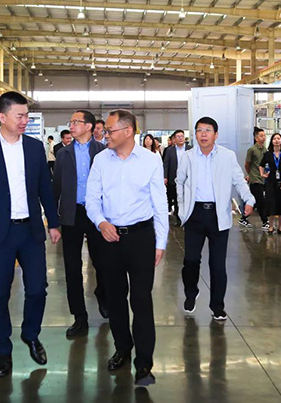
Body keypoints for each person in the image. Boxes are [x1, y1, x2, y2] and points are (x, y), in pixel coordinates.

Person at [0, 92, 62, 379]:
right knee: (0, 294)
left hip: (30, 231)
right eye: (20, 116)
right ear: (2, 117)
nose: (24, 121)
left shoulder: (34, 147)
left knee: (37, 288)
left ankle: (31, 334)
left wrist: (53, 223)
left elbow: (44, 187)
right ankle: (3, 352)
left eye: (26, 115)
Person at [85, 109, 168, 387]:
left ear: (128, 131)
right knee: (115, 299)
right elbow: (91, 198)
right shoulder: (100, 160)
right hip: (108, 238)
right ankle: (122, 348)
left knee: (141, 300)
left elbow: (159, 203)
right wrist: (101, 222)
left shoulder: (150, 160)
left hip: (141, 238)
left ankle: (144, 364)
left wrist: (160, 243)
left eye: (110, 131)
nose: (105, 135)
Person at [176, 117, 254, 322]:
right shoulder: (188, 157)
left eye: (208, 130)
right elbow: (179, 181)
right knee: (191, 260)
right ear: (195, 134)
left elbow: (239, 180)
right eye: (199, 130)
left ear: (216, 135)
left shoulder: (227, 156)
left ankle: (217, 306)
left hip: (218, 215)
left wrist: (249, 199)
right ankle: (191, 292)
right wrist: (182, 208)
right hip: (194, 215)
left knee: (217, 264)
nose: (203, 134)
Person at [53, 110, 108, 339]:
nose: (72, 125)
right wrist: (53, 221)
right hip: (72, 214)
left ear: (89, 126)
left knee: (103, 263)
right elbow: (56, 187)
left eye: (76, 122)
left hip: (97, 215)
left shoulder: (103, 152)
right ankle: (79, 317)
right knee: (72, 267)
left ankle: (102, 294)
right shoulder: (63, 153)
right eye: (71, 122)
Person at [260, 133, 281, 234]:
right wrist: (262, 174)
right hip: (271, 181)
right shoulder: (268, 154)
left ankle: (280, 227)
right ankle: (270, 226)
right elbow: (261, 165)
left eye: (278, 138)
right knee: (271, 203)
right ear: (272, 141)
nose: (277, 140)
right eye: (274, 139)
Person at [241, 127, 269, 231]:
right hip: (255, 179)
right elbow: (247, 164)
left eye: (264, 136)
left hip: (262, 179)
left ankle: (244, 218)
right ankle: (265, 221)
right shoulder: (252, 150)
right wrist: (250, 174)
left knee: (256, 201)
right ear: (256, 138)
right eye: (261, 136)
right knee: (261, 201)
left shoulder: (265, 150)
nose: (263, 138)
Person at [163, 129, 191, 225]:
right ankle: (179, 219)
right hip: (173, 178)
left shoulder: (190, 149)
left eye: (182, 136)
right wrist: (165, 176)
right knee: (176, 198)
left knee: (187, 198)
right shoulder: (169, 150)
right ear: (174, 139)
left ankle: (187, 217)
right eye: (178, 137)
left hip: (188, 178)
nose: (180, 138)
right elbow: (166, 164)